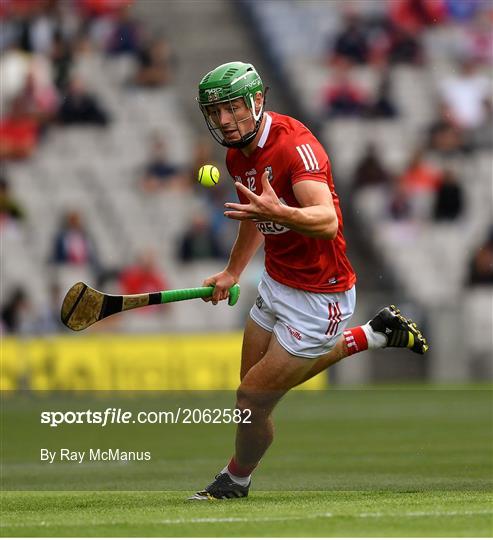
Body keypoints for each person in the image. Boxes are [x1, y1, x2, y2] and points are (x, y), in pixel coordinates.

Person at [191, 61, 428, 501]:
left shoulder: (294, 146)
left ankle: (235, 480)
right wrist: (233, 270)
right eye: (216, 112)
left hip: (321, 293)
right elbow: (252, 217)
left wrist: (279, 212)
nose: (224, 120)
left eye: (232, 108)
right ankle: (373, 334)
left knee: (251, 399)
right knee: (251, 402)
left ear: (257, 101)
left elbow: (325, 219)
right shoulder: (235, 152)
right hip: (276, 284)